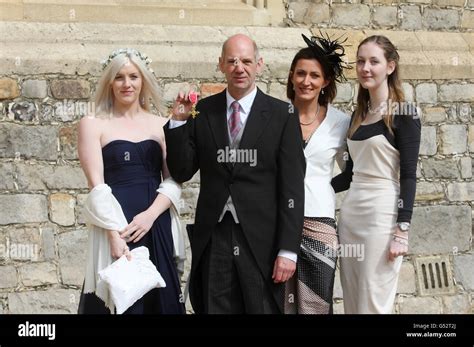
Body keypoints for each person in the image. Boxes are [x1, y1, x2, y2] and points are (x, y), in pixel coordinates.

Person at [164, 34, 306, 314]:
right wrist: (178, 122)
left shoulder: (282, 114)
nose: (239, 67)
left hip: (261, 239)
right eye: (232, 61)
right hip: (215, 234)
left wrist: (288, 249)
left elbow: (292, 187)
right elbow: (181, 170)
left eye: (246, 61)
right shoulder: (202, 111)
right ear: (221, 65)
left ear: (259, 64)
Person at [77, 48, 185, 314]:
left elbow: (173, 182)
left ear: (143, 80)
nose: (127, 84)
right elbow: (97, 186)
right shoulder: (92, 124)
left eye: (133, 77)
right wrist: (113, 234)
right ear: (110, 82)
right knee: (116, 301)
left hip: (155, 225)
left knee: (160, 302)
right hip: (116, 228)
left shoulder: (163, 124)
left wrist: (149, 217)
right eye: (120, 77)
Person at [331, 36, 421, 313]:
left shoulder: (404, 114)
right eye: (360, 61)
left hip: (381, 216)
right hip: (351, 217)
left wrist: (402, 231)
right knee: (353, 299)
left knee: (374, 299)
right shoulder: (358, 115)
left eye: (374, 61)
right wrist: (306, 186)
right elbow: (348, 176)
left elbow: (408, 175)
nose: (365, 68)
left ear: (390, 67)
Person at [284, 34, 350, 314]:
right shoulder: (277, 115)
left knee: (317, 302)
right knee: (281, 300)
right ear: (291, 76)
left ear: (325, 82)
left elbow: (351, 172)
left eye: (314, 75)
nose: (306, 81)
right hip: (281, 220)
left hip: (320, 222)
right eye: (300, 73)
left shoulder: (341, 123)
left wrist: (322, 186)